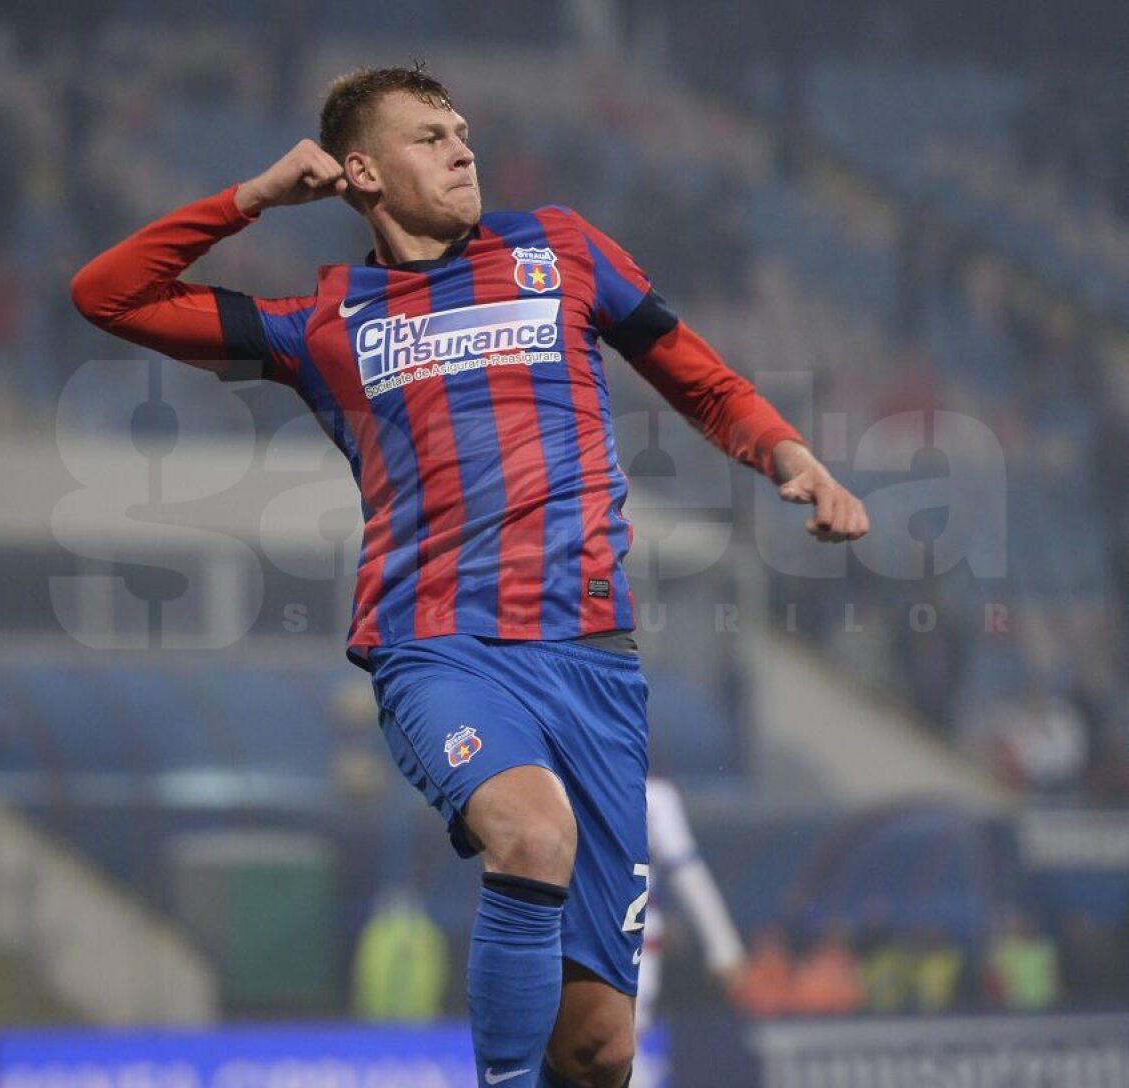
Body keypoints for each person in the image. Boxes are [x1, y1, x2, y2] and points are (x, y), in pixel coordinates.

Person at [72, 64, 869, 1088]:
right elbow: (108, 294)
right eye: (429, 136)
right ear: (360, 171)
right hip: (439, 649)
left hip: (593, 665)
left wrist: (792, 458)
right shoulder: (321, 322)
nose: (462, 148)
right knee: (530, 834)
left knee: (598, 1051)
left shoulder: (562, 250)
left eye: (463, 131)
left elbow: (696, 374)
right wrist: (253, 198)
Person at [634, 777, 746, 1034]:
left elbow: (688, 874)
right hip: (564, 938)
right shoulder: (559, 782)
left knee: (625, 1043)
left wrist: (724, 947)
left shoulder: (655, 797)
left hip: (632, 944)